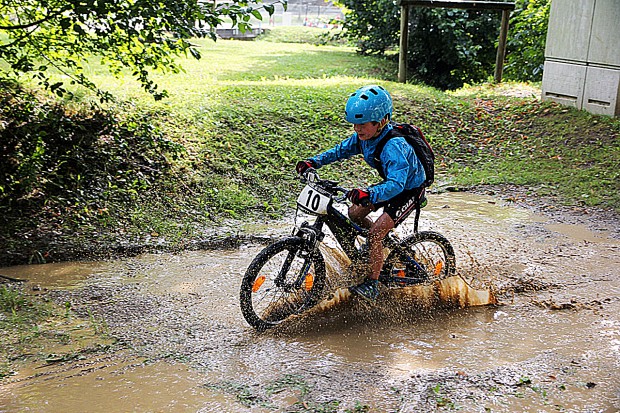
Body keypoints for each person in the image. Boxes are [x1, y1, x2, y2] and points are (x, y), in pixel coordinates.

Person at [295, 85, 427, 301]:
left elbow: (397, 184)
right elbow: (338, 151)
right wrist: (313, 162)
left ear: (381, 121)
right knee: (354, 214)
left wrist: (368, 193)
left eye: (362, 124)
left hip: (409, 190)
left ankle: (373, 284)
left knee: (375, 233)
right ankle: (380, 245)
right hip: (392, 184)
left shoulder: (394, 145)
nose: (357, 129)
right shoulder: (364, 138)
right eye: (354, 124)